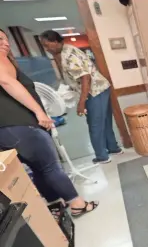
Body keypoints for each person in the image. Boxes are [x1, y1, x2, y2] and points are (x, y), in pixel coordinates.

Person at [0, 29, 98, 217]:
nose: (5, 43)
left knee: (37, 168)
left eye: (5, 39)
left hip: (5, 132)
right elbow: (7, 82)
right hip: (22, 125)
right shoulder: (1, 60)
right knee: (50, 166)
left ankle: (55, 206)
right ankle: (77, 204)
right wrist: (38, 111)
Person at [40, 30, 122, 164]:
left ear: (55, 41)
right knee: (105, 121)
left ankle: (102, 156)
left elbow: (85, 77)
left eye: (47, 45)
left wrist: (81, 103)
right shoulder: (66, 51)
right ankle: (113, 148)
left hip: (94, 92)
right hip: (101, 88)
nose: (47, 49)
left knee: (95, 124)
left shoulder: (68, 55)